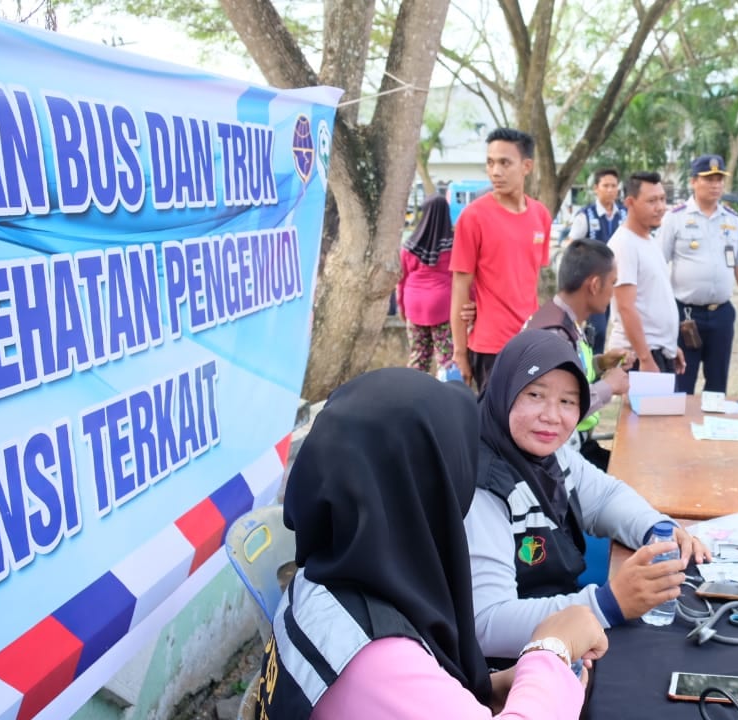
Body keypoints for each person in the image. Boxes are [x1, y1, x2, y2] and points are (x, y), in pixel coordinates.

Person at [255, 368, 607, 719]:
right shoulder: (378, 657)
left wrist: (488, 686)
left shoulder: (320, 581)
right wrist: (551, 651)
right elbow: (387, 681)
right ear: (429, 494)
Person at [465, 330, 709, 661]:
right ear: (503, 390)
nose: (552, 416)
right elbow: (487, 625)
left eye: (567, 401)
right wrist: (607, 604)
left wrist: (658, 531)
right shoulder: (482, 489)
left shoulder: (547, 451)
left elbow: (605, 497)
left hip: (562, 631)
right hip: (512, 671)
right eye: (535, 395)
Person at [450, 128, 553, 390]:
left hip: (529, 342)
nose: (495, 171)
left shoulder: (541, 215)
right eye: (490, 162)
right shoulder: (473, 217)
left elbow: (531, 282)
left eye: (505, 163)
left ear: (526, 166)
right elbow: (460, 287)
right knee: (491, 426)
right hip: (489, 347)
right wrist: (460, 353)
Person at [659, 154, 738, 394]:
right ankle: (680, 432)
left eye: (719, 179)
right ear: (693, 181)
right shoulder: (675, 218)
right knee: (681, 385)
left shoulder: (732, 220)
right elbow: (659, 265)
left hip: (721, 315)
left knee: (717, 386)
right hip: (685, 314)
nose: (716, 185)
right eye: (709, 179)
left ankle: (712, 430)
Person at [525, 240, 631, 468]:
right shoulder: (555, 334)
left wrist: (601, 363)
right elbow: (560, 406)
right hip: (559, 457)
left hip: (573, 445)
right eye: (612, 283)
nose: (613, 292)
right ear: (594, 285)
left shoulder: (563, 318)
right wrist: (609, 386)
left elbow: (570, 372)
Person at [608, 172, 686, 375]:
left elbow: (652, 298)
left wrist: (669, 346)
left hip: (658, 351)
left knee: (665, 408)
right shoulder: (624, 244)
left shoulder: (649, 240)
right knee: (645, 409)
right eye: (652, 201)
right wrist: (645, 358)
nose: (660, 207)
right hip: (640, 357)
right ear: (630, 202)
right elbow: (626, 307)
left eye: (662, 199)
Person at [567, 168, 627, 355]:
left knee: (624, 327)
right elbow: (572, 246)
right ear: (596, 188)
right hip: (596, 284)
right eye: (606, 186)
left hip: (622, 281)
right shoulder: (586, 215)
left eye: (614, 186)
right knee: (597, 330)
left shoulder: (625, 214)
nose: (610, 190)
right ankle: (593, 372)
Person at [398, 194, 455, 374]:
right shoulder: (454, 245)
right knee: (446, 358)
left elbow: (401, 281)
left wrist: (402, 308)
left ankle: (412, 397)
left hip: (414, 304)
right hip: (443, 306)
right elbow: (465, 279)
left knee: (418, 355)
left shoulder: (409, 246)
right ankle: (447, 397)